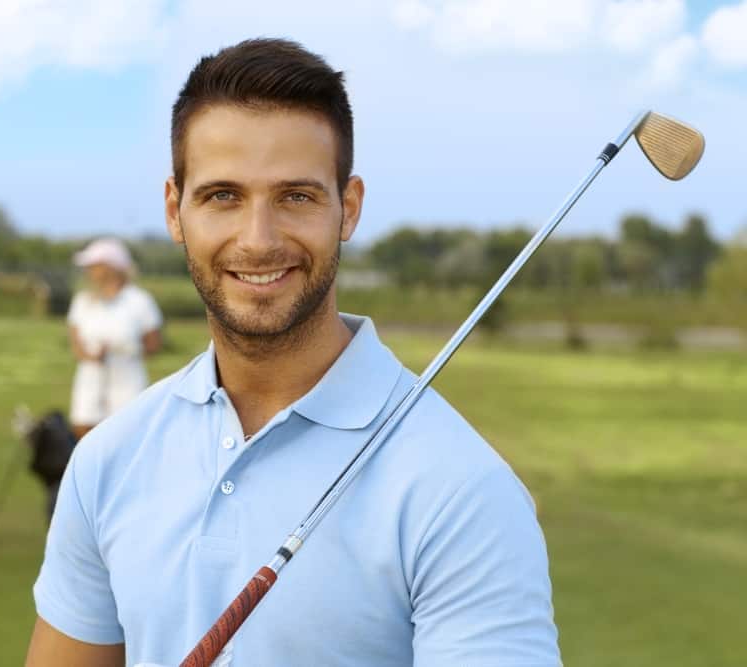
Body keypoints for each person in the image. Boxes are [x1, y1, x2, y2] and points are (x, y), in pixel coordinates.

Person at [27, 39, 561, 666]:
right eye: (223, 195)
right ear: (176, 211)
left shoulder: (464, 490)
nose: (258, 240)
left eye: (296, 197)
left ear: (349, 209)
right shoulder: (106, 462)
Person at [66, 237, 163, 441]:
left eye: (95, 265)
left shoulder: (139, 301)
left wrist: (125, 351)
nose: (89, 270)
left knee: (126, 436)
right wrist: (91, 356)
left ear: (111, 267)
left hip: (127, 378)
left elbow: (153, 343)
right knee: (84, 433)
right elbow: (75, 342)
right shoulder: (83, 301)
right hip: (90, 377)